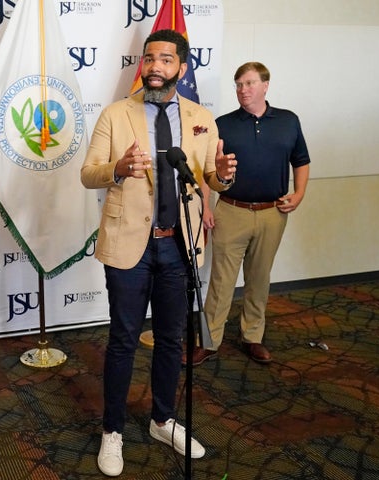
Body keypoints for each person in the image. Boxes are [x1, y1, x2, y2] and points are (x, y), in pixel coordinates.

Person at [80, 29, 236, 477]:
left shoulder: (203, 117)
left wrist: (222, 176)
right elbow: (89, 174)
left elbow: (209, 178)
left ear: (181, 68)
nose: (155, 67)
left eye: (166, 60)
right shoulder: (115, 114)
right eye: (149, 59)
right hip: (130, 246)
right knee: (124, 340)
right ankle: (112, 431)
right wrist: (118, 168)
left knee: (171, 339)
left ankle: (163, 419)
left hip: (180, 245)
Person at [186, 61, 310, 367]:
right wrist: (206, 205)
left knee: (259, 278)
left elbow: (302, 160)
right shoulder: (223, 124)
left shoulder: (288, 121)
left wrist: (299, 193)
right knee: (221, 281)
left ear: (265, 85)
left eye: (250, 83)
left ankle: (253, 337)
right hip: (231, 210)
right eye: (239, 84)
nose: (243, 90)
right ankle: (209, 341)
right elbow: (206, 168)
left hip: (272, 213)